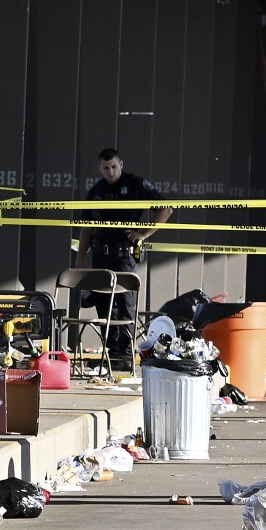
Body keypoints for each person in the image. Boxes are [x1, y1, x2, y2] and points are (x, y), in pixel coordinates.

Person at [75, 149, 173, 370]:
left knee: (124, 307)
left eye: (114, 167)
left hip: (122, 256)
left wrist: (144, 234)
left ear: (121, 164)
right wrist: (80, 260)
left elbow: (166, 208)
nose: (110, 172)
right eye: (105, 168)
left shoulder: (136, 184)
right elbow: (86, 230)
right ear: (100, 168)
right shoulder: (96, 191)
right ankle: (112, 357)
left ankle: (126, 358)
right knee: (103, 307)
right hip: (100, 257)